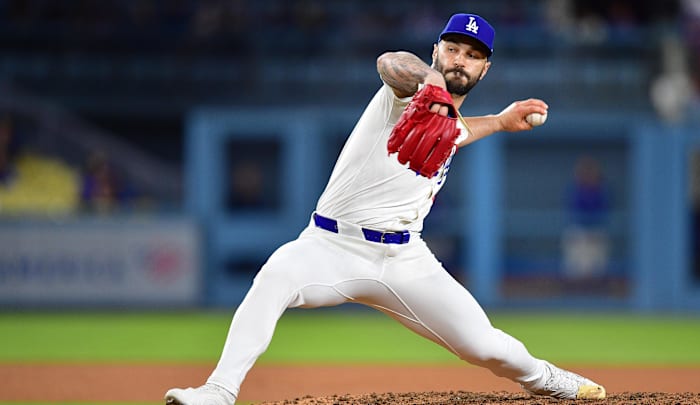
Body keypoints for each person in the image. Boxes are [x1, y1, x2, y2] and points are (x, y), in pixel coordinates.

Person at [165, 13, 606, 404]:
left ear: (484, 69)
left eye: (471, 55)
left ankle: (548, 379)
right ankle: (218, 392)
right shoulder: (409, 93)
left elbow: (453, 132)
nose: (458, 60)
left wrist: (501, 121)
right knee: (276, 275)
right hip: (331, 244)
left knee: (485, 346)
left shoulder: (445, 122)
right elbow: (391, 61)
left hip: (405, 260)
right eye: (451, 48)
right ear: (436, 51)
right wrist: (430, 85)